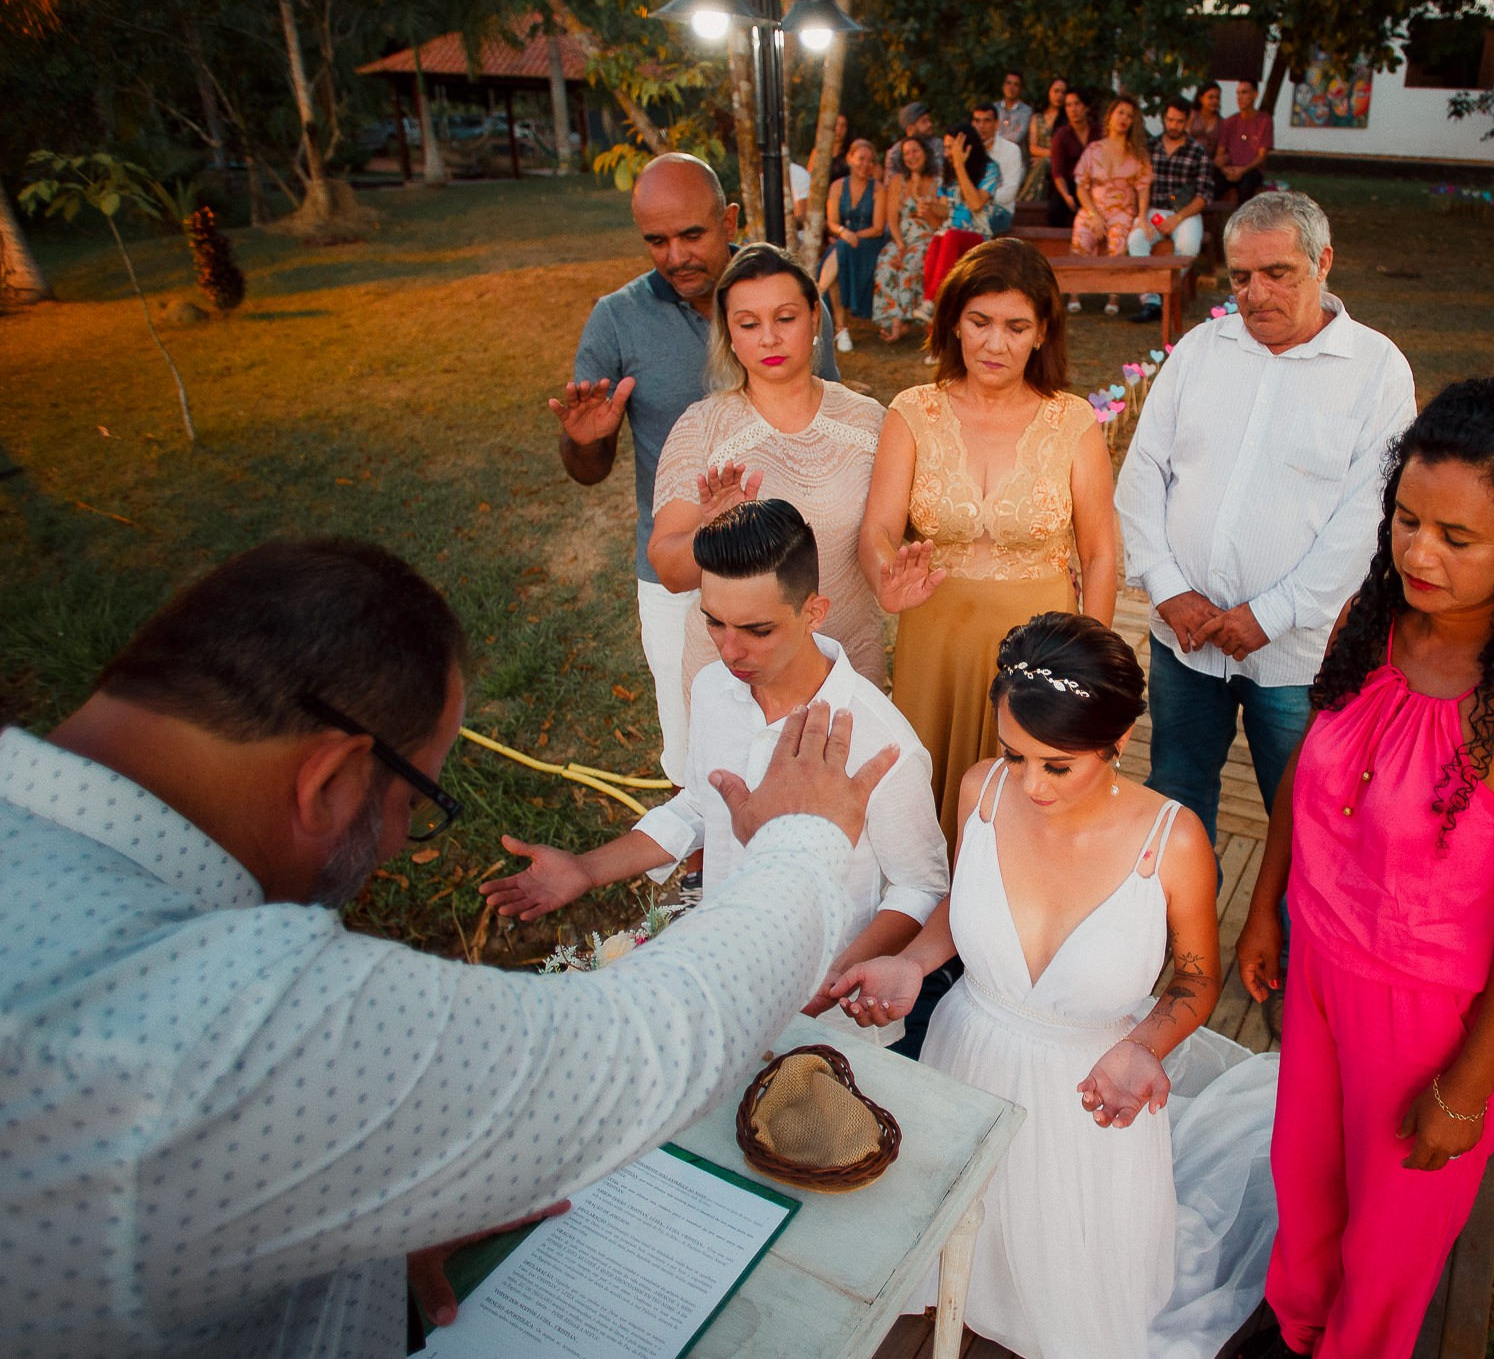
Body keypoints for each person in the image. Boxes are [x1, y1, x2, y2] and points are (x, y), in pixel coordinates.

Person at [0, 538, 896, 1357]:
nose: (395, 842)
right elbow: (640, 1047)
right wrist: (806, 844)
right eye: (416, 801)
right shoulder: (228, 1013)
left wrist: (350, 1223)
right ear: (330, 780)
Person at [1234, 375, 1494, 1359]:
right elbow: (1306, 772)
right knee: (1305, 1181)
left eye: (1456, 539)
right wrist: (1263, 907)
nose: (1416, 553)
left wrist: (1465, 1085)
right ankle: (1293, 1326)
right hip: (1318, 968)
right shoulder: (1371, 618)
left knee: (1392, 1235)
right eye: (1406, 520)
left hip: (1431, 1019)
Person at [831, 613, 1278, 1359]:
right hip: (967, 1061)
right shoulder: (981, 788)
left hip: (1087, 1096)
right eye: (1016, 754)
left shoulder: (1173, 841)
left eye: (1057, 765)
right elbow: (961, 896)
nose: (1029, 783)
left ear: (1118, 743)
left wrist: (1146, 1046)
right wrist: (913, 961)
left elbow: (1199, 979)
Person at [484, 501, 949, 1045]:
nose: (730, 650)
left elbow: (920, 885)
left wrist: (832, 978)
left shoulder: (882, 742)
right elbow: (697, 809)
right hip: (724, 976)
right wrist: (587, 870)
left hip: (834, 1015)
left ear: (815, 611)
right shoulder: (711, 689)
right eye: (714, 622)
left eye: (756, 629)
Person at [1116, 189, 1416, 851]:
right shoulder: (1200, 350)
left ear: (1324, 261)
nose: (1256, 294)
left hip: (1297, 657)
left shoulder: (1376, 371)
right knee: (1177, 794)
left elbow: (1370, 516)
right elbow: (1141, 476)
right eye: (1241, 277)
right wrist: (1167, 589)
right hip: (1185, 641)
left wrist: (1270, 615)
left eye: (1277, 273)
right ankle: (1180, 934)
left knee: (1302, 816)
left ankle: (1283, 948)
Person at [549, 153, 837, 785]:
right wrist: (587, 442)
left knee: (804, 730)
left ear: (728, 219)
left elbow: (827, 421)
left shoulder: (789, 301)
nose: (675, 255)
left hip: (789, 565)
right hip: (679, 572)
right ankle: (699, 867)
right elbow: (587, 471)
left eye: (692, 235)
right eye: (656, 240)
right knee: (693, 734)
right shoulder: (617, 319)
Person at [860, 238, 1119, 847]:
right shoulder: (912, 412)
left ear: (1042, 332)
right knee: (924, 813)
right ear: (953, 321)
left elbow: (1101, 552)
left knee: (1030, 812)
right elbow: (877, 528)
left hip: (1040, 652)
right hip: (934, 640)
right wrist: (884, 574)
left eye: (1015, 326)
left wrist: (1089, 673)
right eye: (979, 322)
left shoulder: (1073, 421)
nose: (995, 343)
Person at [644, 242, 888, 691]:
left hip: (847, 663)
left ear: (815, 317)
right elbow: (669, 571)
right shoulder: (702, 428)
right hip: (738, 674)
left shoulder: (868, 420)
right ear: (730, 335)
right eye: (749, 324)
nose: (769, 338)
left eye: (785, 318)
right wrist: (711, 532)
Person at [1125, 97, 1215, 326]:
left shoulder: (1197, 151)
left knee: (1188, 246)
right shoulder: (1150, 147)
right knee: (1135, 240)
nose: (1173, 125)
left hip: (1185, 213)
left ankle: (1168, 292)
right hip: (1153, 208)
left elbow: (1204, 195)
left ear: (1187, 122)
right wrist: (1142, 217)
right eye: (1170, 119)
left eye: (1179, 121)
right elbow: (1140, 184)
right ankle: (1151, 299)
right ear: (1164, 118)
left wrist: (1178, 218)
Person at [1070, 94, 1153, 317]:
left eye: (1129, 116)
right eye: (1121, 113)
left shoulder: (1137, 154)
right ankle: (1074, 292)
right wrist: (1093, 214)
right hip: (1093, 207)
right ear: (1110, 117)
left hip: (1122, 210)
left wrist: (1142, 217)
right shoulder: (1094, 149)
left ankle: (1113, 295)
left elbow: (1143, 188)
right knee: (1082, 236)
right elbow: (1080, 186)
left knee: (1118, 240)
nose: (1124, 119)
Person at [873, 135, 947, 342]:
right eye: (906, 153)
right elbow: (892, 219)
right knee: (886, 260)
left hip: (928, 236)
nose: (911, 157)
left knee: (912, 262)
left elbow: (939, 221)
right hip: (902, 236)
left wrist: (925, 204)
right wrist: (899, 243)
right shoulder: (897, 181)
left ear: (925, 153)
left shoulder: (938, 181)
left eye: (915, 151)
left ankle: (905, 320)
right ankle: (892, 319)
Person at [923, 122, 1003, 299]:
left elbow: (975, 204)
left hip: (978, 235)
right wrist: (930, 208)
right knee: (937, 239)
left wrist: (960, 166)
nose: (946, 154)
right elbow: (944, 213)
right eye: (945, 148)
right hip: (950, 236)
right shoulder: (946, 171)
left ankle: (935, 298)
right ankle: (930, 308)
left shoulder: (990, 169)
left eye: (951, 148)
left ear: (967, 148)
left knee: (950, 236)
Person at [825, 138, 888, 344]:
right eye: (861, 159)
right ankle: (841, 328)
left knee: (839, 251)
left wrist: (853, 236)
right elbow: (832, 222)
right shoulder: (837, 187)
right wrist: (844, 232)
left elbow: (878, 228)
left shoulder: (878, 189)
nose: (865, 164)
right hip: (844, 241)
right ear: (850, 159)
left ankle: (818, 293)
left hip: (869, 243)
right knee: (840, 250)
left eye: (870, 161)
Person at [1048, 86, 1098, 230]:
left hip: (1095, 183)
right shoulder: (1061, 135)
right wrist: (1066, 195)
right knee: (1055, 209)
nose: (1073, 109)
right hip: (1070, 184)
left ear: (1086, 107)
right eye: (1068, 105)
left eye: (1077, 104)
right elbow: (1057, 172)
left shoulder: (1098, 131)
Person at [1215, 80, 1273, 204]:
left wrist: (1242, 170)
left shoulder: (1264, 121)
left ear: (1255, 95)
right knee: (1212, 184)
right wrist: (1226, 169)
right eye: (1238, 93)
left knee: (1247, 186)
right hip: (1230, 170)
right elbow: (1219, 154)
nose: (1240, 97)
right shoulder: (1229, 122)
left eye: (1244, 93)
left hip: (1250, 170)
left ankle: (1242, 221)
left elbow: (1261, 156)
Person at [974, 100, 1026, 231]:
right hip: (971, 208)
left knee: (970, 223)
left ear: (996, 124)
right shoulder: (968, 150)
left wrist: (979, 198)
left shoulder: (1011, 150)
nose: (981, 126)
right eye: (977, 121)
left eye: (986, 121)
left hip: (1000, 211)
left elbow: (1010, 191)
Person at [1022, 74, 1069, 204]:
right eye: (1056, 91)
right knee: (1042, 163)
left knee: (1044, 162)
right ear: (1049, 92)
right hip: (1040, 160)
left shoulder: (1068, 120)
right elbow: (1032, 148)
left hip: (1061, 162)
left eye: (1063, 92)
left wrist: (1052, 155)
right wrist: (1050, 154)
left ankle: (1026, 200)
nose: (1059, 96)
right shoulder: (1037, 118)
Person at [885, 100, 939, 179]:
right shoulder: (895, 152)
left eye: (929, 120)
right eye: (924, 122)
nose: (930, 124)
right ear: (910, 129)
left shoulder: (938, 145)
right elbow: (890, 183)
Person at [1190, 81, 1227, 173]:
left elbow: (1221, 150)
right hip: (1189, 160)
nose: (1215, 101)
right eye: (1210, 97)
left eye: (1217, 98)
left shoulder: (1222, 123)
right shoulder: (1192, 116)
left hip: (1210, 165)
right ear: (1201, 98)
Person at [996, 70, 1034, 149]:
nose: (1011, 87)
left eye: (1016, 85)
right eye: (1008, 83)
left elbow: (1018, 136)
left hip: (1016, 156)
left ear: (1021, 89)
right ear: (1003, 86)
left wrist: (994, 139)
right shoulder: (994, 108)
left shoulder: (1026, 111)